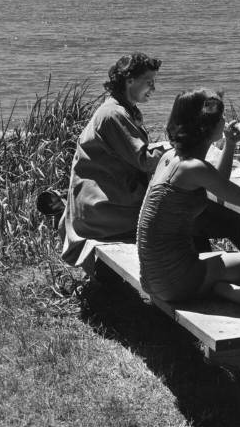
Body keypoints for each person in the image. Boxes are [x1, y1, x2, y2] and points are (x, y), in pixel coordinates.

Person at [137, 89, 240, 306]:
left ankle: (218, 288)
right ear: (205, 126)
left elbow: (216, 186)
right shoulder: (193, 168)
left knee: (228, 258)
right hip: (174, 282)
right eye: (221, 116)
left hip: (152, 277)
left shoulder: (172, 156)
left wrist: (230, 144)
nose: (225, 120)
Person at [61, 53, 165, 268]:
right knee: (179, 218)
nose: (153, 88)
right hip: (103, 213)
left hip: (99, 206)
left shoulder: (119, 110)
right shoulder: (113, 114)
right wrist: (180, 148)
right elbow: (145, 160)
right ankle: (184, 279)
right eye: (149, 82)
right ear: (130, 81)